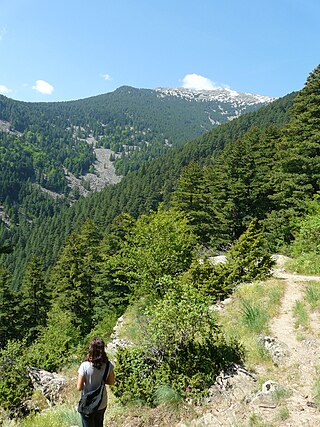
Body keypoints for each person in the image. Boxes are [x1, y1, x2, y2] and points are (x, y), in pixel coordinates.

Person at [77, 337, 115, 427]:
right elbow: (111, 382)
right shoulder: (108, 365)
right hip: (101, 402)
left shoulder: (84, 366)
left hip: (87, 404)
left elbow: (79, 387)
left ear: (91, 350)